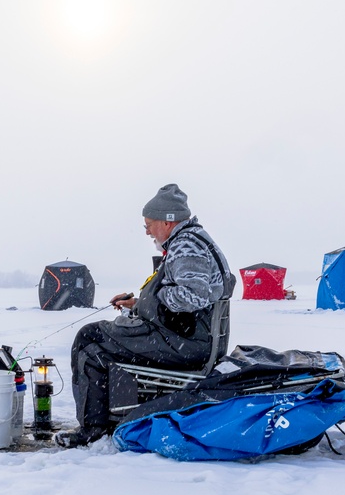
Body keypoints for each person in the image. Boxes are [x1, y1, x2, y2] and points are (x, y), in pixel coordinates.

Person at [55, 183, 235, 448]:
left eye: (149, 224)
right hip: (186, 337)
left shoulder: (187, 246)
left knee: (90, 339)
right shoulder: (192, 240)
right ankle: (111, 416)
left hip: (185, 344)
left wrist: (156, 298)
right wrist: (138, 304)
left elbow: (193, 296)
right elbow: (191, 295)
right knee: (98, 342)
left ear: (167, 221)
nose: (148, 231)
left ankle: (93, 429)